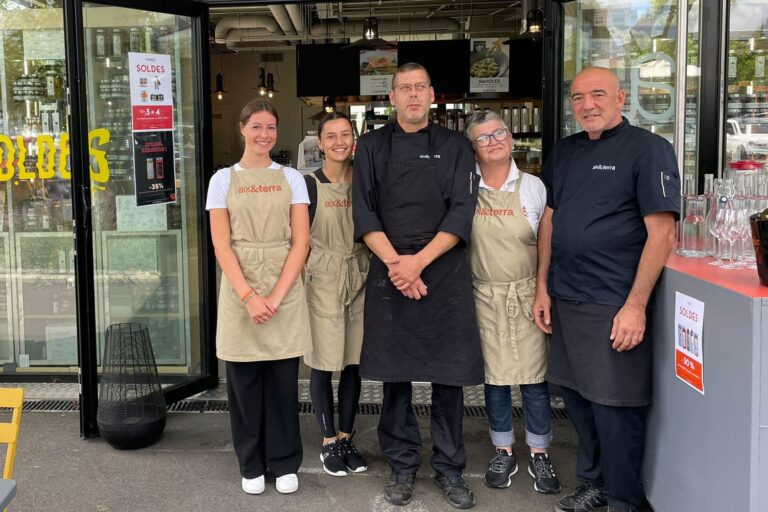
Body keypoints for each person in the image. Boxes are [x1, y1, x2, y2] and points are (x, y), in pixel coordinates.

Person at [532, 67, 679, 512]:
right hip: (566, 297)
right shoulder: (564, 152)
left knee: (616, 407)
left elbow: (662, 235)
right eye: (578, 97)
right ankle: (594, 484)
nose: (588, 105)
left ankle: (624, 500)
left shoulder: (649, 150)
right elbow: (550, 221)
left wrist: (635, 306)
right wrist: (543, 287)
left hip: (613, 300)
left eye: (598, 95)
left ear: (621, 99)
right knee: (576, 399)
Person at [352, 62, 484, 510]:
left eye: (420, 87)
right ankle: (402, 465)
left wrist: (419, 264)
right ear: (391, 98)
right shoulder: (370, 146)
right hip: (391, 274)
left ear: (432, 94)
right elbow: (364, 213)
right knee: (395, 380)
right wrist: (397, 266)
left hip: (442, 274)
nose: (412, 95)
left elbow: (462, 212)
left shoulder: (456, 146)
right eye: (404, 89)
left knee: (449, 380)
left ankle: (450, 469)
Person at [206, 99, 311, 496]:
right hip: (239, 287)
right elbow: (221, 246)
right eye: (256, 127)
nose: (264, 135)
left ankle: (284, 461)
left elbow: (300, 243)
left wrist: (277, 296)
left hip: (284, 282)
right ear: (242, 129)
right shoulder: (222, 180)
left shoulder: (292, 178)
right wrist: (249, 296)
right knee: (245, 385)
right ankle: (250, 462)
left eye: (270, 128)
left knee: (284, 384)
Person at [464, 110, 561, 495]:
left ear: (510, 136)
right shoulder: (466, 187)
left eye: (499, 133)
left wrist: (542, 290)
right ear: (473, 147)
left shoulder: (535, 187)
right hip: (482, 293)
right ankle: (502, 448)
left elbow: (546, 246)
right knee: (496, 380)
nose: (493, 141)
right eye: (483, 138)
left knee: (534, 380)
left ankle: (540, 451)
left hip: (526, 293)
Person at [303, 112, 370, 477]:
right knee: (323, 363)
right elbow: (298, 240)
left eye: (346, 134)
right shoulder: (309, 185)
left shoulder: (364, 181)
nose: (339, 141)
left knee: (353, 363)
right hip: (323, 280)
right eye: (331, 136)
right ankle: (328, 441)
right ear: (320, 142)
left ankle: (347, 436)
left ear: (354, 139)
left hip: (359, 276)